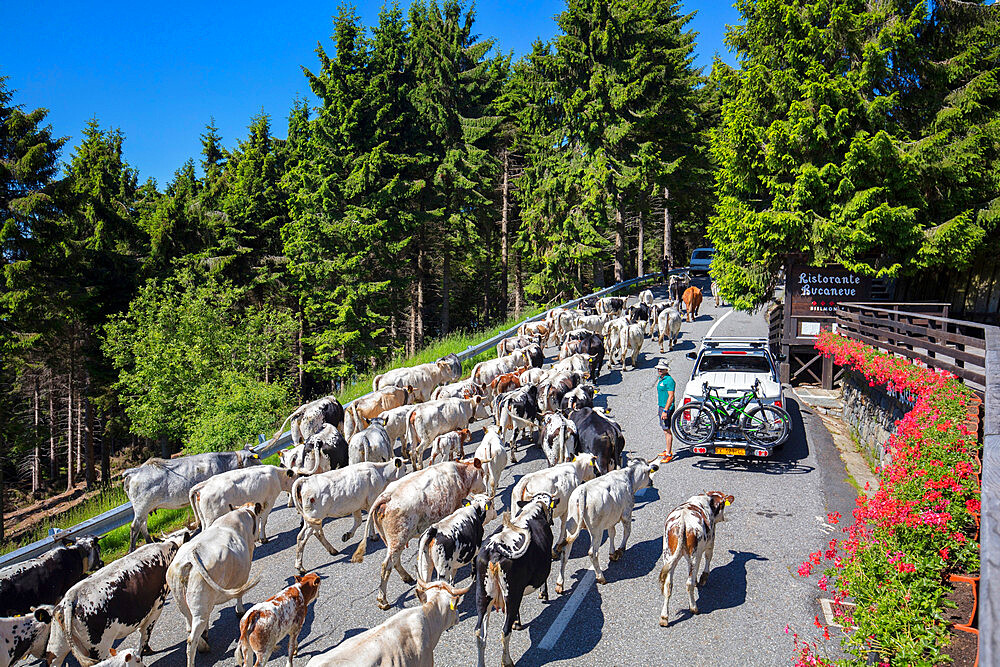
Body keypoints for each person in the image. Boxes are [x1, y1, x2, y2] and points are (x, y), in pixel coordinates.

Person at [656, 358, 676, 462]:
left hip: (666, 408)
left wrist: (665, 410)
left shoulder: (669, 381)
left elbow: (671, 396)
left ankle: (668, 453)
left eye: (662, 369)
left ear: (666, 370)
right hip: (662, 406)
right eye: (659, 369)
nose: (659, 371)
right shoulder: (662, 379)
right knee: (664, 430)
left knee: (667, 430)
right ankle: (667, 449)